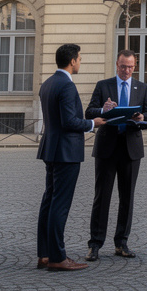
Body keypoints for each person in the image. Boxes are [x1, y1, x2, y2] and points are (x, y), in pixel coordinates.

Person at [37, 43, 105, 271]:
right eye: (79, 58)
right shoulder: (66, 86)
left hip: (51, 149)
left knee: (49, 201)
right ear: (72, 61)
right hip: (66, 152)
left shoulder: (47, 83)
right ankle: (58, 257)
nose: (80, 61)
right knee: (60, 205)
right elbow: (69, 122)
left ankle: (45, 254)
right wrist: (91, 123)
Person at [83, 49, 147, 261]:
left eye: (130, 67)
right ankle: (95, 244)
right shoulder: (103, 85)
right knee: (101, 197)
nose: (126, 71)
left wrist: (142, 116)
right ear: (116, 64)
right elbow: (89, 112)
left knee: (127, 198)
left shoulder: (142, 87)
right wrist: (103, 110)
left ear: (135, 66)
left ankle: (121, 242)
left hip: (131, 148)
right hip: (107, 147)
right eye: (123, 67)